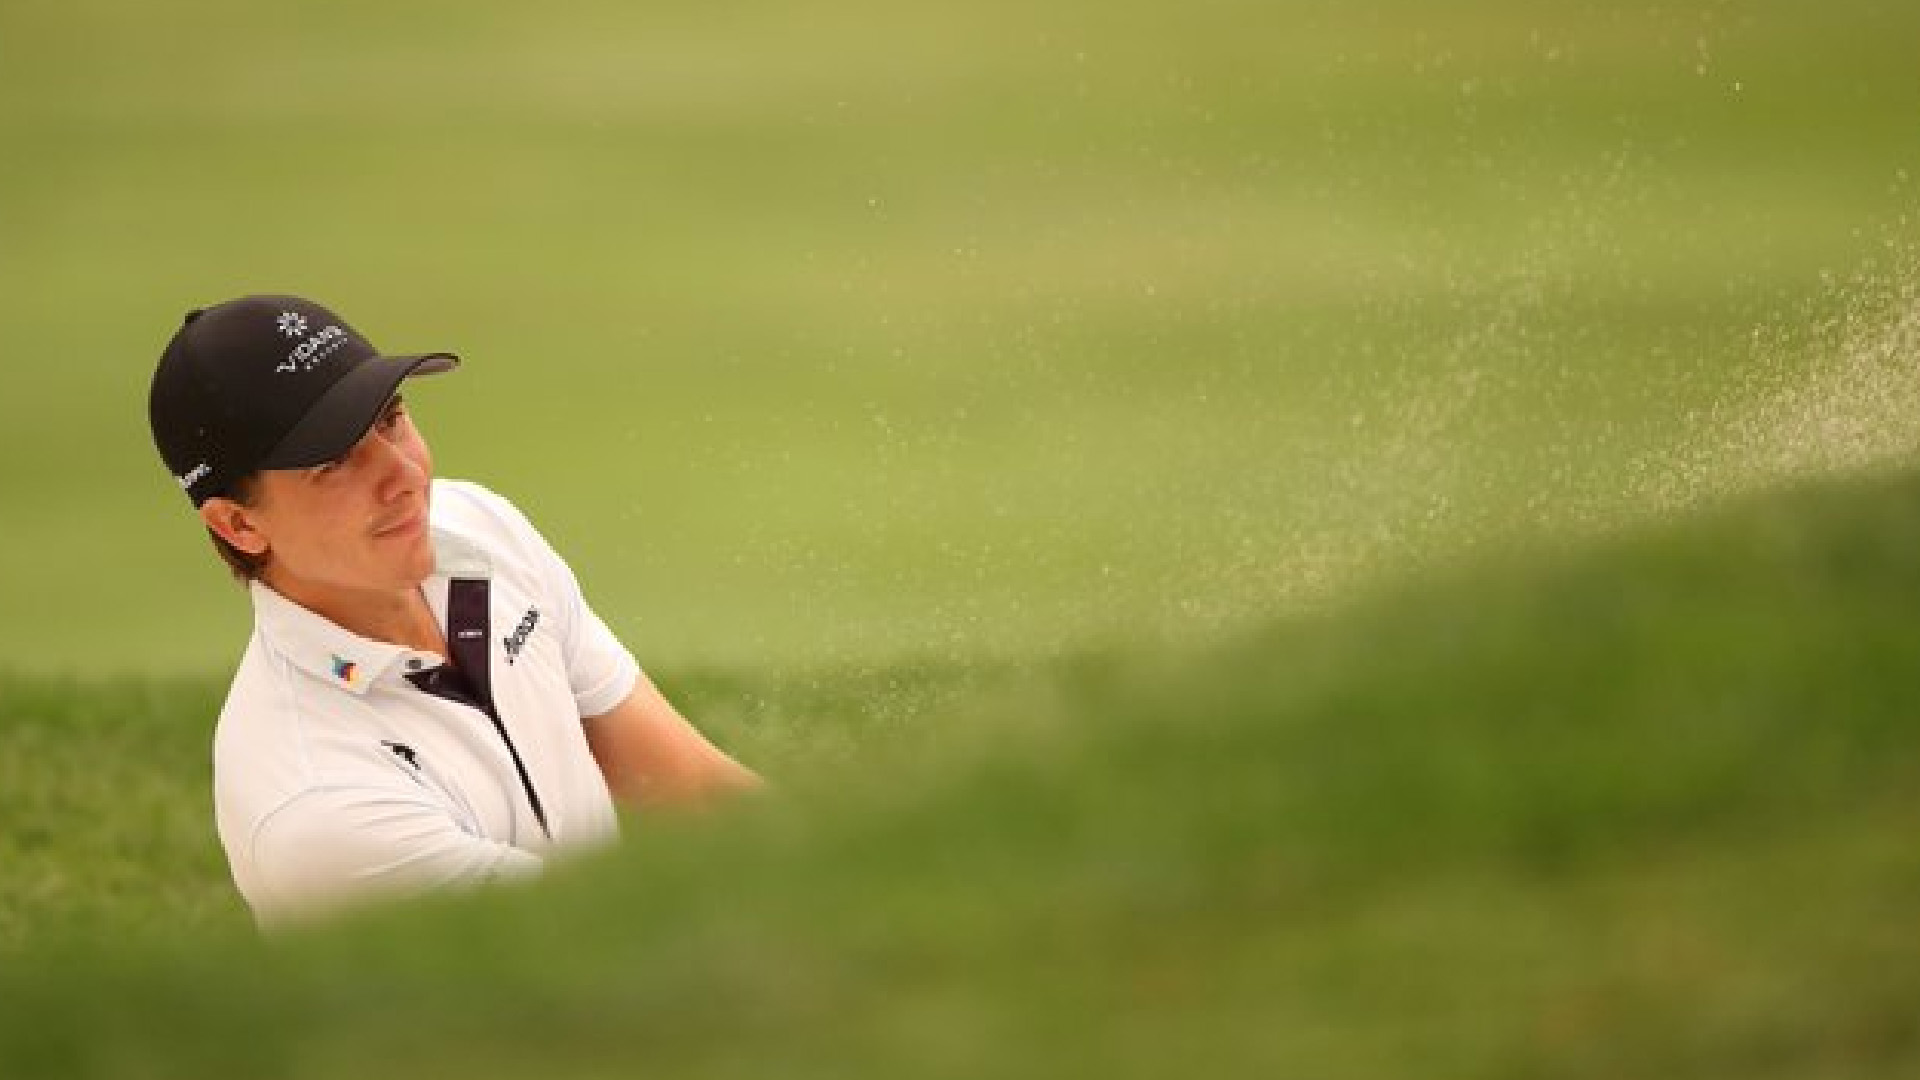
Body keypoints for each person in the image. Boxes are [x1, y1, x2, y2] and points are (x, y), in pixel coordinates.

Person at [147, 294, 759, 926]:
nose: (405, 475)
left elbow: (684, 782)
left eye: (391, 419)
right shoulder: (318, 804)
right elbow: (595, 942)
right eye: (334, 462)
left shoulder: (477, 528)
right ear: (239, 524)